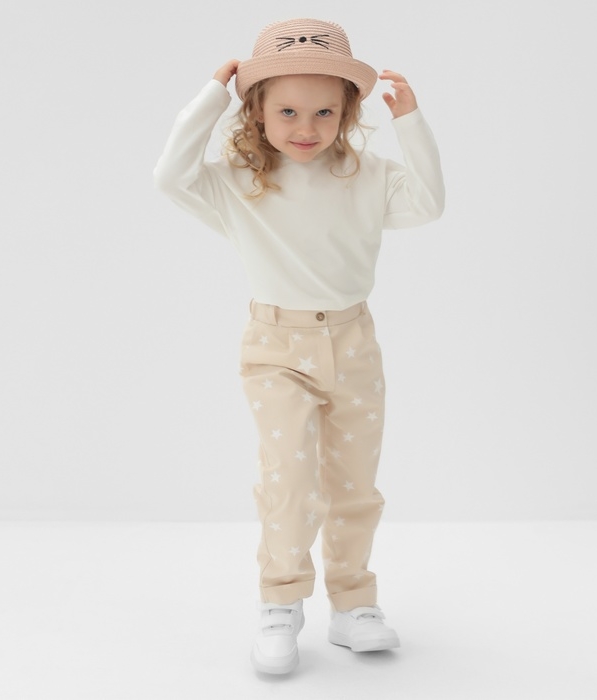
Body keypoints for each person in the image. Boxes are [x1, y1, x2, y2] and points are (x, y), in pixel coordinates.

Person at [154, 17, 445, 675]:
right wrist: (212, 96)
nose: (306, 126)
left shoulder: (367, 175)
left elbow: (429, 203)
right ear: (256, 110)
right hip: (276, 346)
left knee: (354, 483)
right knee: (288, 480)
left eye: (324, 111)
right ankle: (280, 603)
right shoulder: (237, 182)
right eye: (287, 110)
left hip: (354, 342)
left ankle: (354, 604)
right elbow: (169, 177)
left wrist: (411, 122)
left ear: (347, 113)